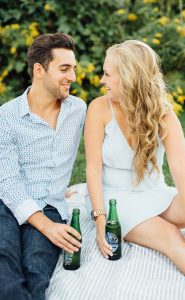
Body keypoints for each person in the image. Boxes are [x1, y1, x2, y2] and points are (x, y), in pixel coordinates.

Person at [84, 40, 185, 282]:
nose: (101, 80)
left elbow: (183, 180)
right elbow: (93, 168)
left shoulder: (165, 116)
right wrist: (100, 218)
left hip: (154, 193)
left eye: (107, 74)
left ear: (128, 77)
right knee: (170, 236)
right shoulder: (99, 109)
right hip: (114, 199)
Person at [0, 32, 86, 300]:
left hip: (51, 205)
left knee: (36, 271)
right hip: (6, 203)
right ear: (39, 70)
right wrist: (47, 227)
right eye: (64, 69)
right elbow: (7, 181)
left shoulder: (78, 110)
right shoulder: (7, 116)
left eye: (73, 68)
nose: (72, 76)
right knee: (4, 265)